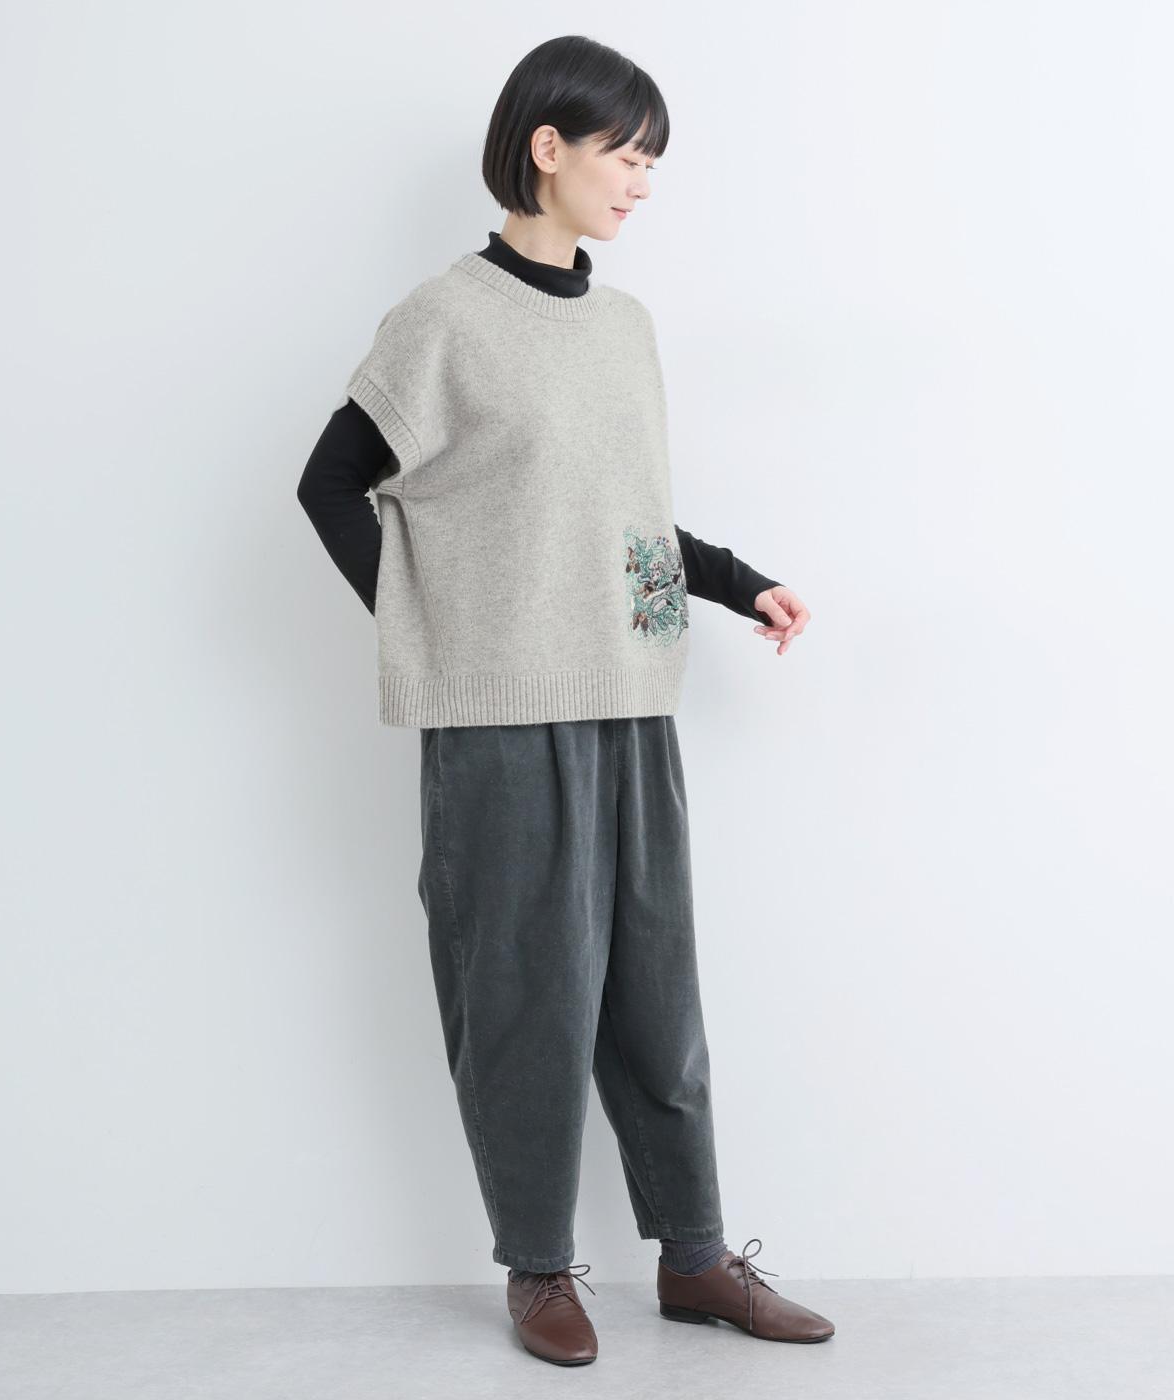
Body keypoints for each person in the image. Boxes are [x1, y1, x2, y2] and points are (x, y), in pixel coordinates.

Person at [297, 33, 833, 1367]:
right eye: (625, 155)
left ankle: (695, 1258)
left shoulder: (623, 326)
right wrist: (438, 629)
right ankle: (537, 1266)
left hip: (631, 696)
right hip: (497, 721)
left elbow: (624, 517)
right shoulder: (443, 321)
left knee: (656, 991)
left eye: (654, 161)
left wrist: (739, 583)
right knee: (527, 997)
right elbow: (329, 484)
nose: (643, 182)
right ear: (548, 148)